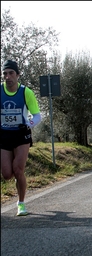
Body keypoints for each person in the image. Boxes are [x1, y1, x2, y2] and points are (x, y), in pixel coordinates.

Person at [1, 60, 42, 216]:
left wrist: (29, 123)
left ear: (18, 75)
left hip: (21, 134)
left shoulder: (26, 92)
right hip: (4, 134)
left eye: (11, 73)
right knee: (6, 174)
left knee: (18, 170)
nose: (8, 76)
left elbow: (37, 115)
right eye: (5, 73)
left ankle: (21, 203)